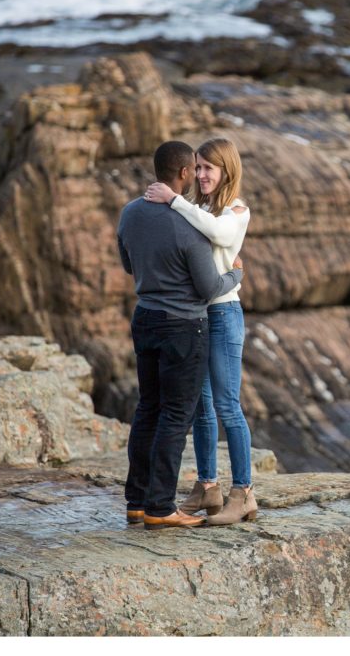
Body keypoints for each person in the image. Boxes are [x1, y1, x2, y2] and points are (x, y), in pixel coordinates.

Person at [118, 140, 244, 530]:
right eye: (197, 168)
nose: (201, 175)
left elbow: (128, 263)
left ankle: (136, 502)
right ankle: (159, 507)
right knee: (176, 416)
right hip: (183, 326)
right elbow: (209, 288)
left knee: (147, 410)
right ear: (185, 173)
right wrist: (236, 274)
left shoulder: (130, 213)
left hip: (145, 318)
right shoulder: (189, 227)